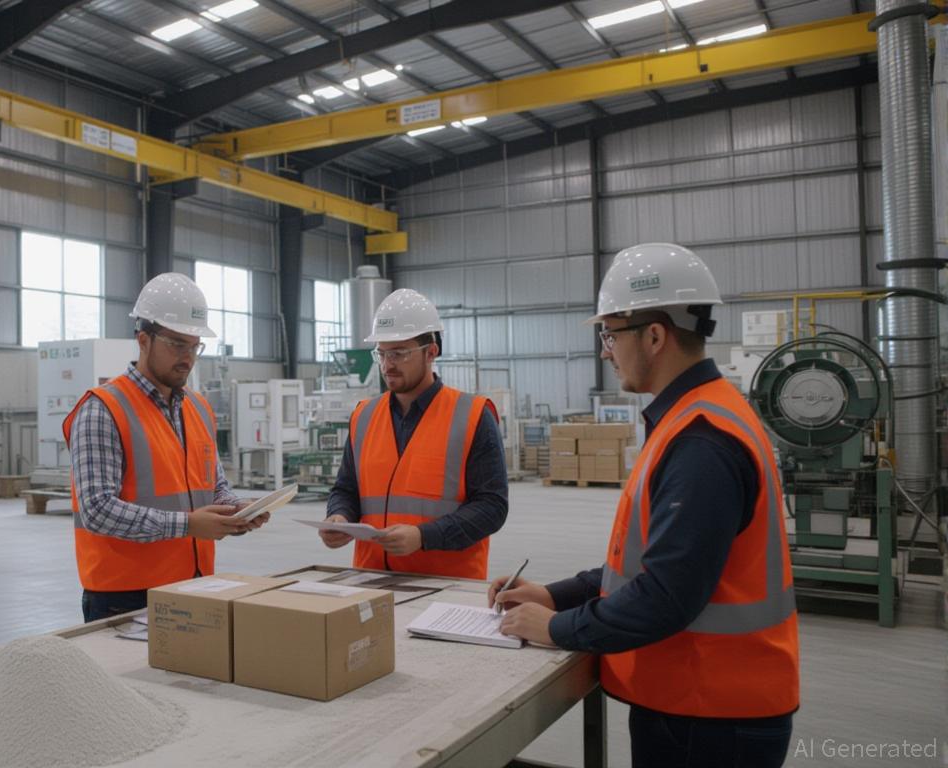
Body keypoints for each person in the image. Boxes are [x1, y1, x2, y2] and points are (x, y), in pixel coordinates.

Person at [491, 243, 800, 767]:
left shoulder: (701, 442)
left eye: (611, 334)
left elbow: (665, 595)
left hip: (712, 715)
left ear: (654, 336)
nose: (606, 351)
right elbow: (649, 565)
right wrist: (553, 595)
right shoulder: (695, 418)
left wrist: (556, 628)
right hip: (701, 701)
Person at [63, 272, 268, 623]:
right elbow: (97, 509)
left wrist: (236, 510)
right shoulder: (103, 409)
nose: (188, 358)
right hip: (125, 596)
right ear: (143, 340)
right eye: (177, 345)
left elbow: (214, 485)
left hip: (195, 584)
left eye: (194, 347)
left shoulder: (198, 408)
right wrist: (187, 525)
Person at [319, 288, 508, 579]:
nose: (387, 365)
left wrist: (423, 536)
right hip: (371, 579)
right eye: (381, 353)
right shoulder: (364, 416)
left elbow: (491, 507)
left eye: (399, 353)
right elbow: (346, 489)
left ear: (431, 352)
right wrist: (339, 516)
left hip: (447, 584)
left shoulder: (472, 415)